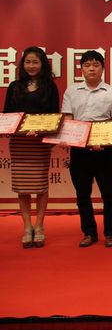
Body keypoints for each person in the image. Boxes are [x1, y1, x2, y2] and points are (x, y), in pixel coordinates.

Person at [61, 50, 112, 247]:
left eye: (96, 65)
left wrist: (103, 141)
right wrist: (70, 137)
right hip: (79, 151)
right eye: (87, 65)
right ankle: (89, 232)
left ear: (103, 68)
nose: (91, 69)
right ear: (81, 68)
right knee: (82, 195)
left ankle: (111, 232)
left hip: (103, 150)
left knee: (108, 194)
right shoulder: (71, 92)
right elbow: (68, 119)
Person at [3, 46, 59, 248]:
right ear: (22, 64)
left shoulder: (50, 87)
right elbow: (7, 114)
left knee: (41, 186)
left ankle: (40, 226)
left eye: (35, 62)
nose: (31, 66)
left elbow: (54, 115)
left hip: (39, 143)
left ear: (42, 64)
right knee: (22, 187)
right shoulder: (14, 86)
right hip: (20, 143)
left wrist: (42, 130)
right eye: (28, 62)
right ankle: (27, 226)